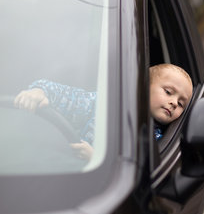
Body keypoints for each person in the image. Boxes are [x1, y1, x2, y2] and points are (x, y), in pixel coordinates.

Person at [14, 63, 193, 160]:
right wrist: (40, 91)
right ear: (143, 85)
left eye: (181, 103)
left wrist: (98, 160)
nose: (173, 103)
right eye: (169, 92)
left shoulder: (157, 140)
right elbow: (72, 98)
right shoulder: (108, 103)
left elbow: (135, 169)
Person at [149, 63, 193, 141]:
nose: (175, 103)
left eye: (180, 104)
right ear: (146, 84)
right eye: (168, 92)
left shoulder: (161, 139)